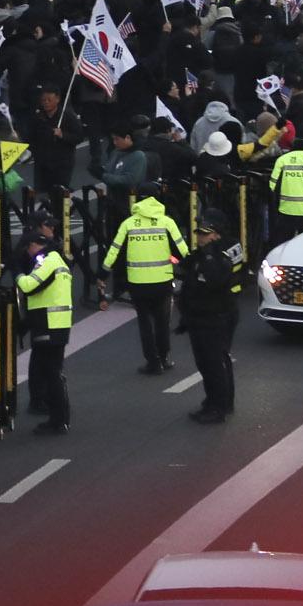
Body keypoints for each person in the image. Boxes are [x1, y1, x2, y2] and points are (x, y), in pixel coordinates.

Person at [98, 182, 187, 375]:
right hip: (163, 281)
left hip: (138, 283)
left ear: (138, 198)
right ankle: (164, 357)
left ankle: (153, 362)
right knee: (162, 322)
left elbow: (114, 251)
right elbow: (182, 251)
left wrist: (103, 274)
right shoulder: (167, 222)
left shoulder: (128, 224)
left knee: (145, 323)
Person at [175, 208, 240, 424]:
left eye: (205, 233)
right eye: (199, 233)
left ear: (216, 234)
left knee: (214, 363)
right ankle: (214, 401)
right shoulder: (203, 255)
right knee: (205, 363)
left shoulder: (218, 256)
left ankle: (218, 406)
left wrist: (208, 257)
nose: (200, 237)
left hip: (215, 316)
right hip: (200, 317)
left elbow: (214, 282)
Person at [16, 230, 72, 435]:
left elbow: (30, 286)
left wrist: (19, 275)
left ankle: (59, 420)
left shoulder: (49, 261)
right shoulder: (58, 260)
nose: (28, 253)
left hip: (49, 324)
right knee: (50, 372)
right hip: (56, 324)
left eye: (28, 248)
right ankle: (59, 418)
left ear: (34, 245)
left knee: (52, 374)